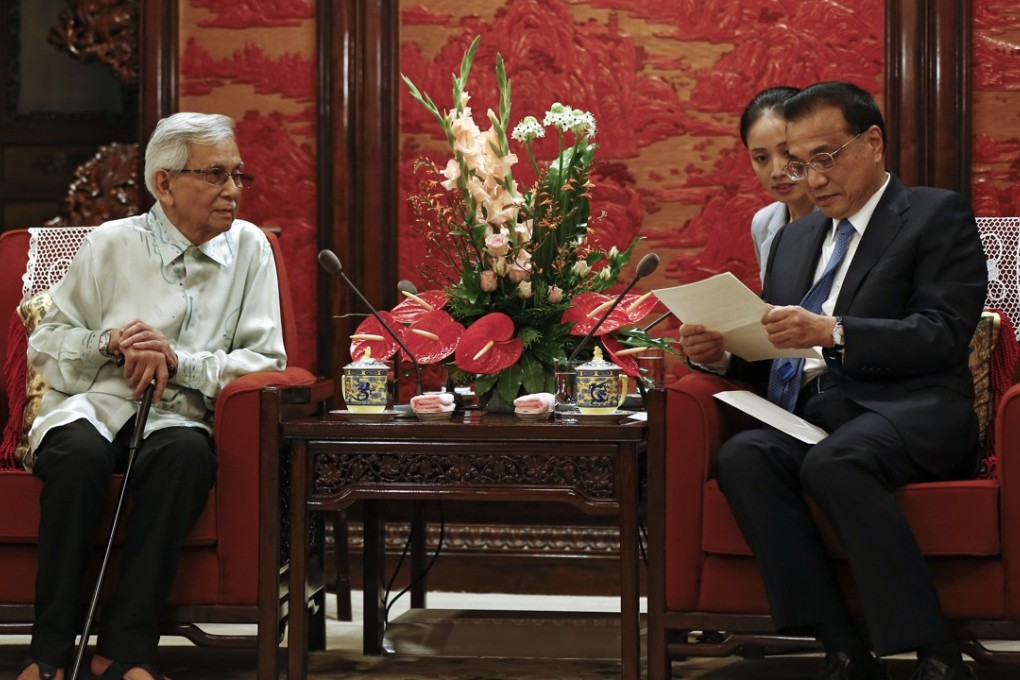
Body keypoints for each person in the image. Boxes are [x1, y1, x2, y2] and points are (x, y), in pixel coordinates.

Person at [679, 81, 986, 680]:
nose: (812, 179)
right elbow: (775, 351)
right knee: (744, 457)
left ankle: (935, 651)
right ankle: (840, 644)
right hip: (819, 413)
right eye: (799, 163)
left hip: (913, 407)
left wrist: (833, 330)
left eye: (825, 157)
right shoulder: (795, 238)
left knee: (834, 463)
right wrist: (718, 355)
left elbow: (941, 332)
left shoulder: (933, 213)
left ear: (872, 142)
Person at [18, 112, 287, 680]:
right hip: (93, 404)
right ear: (164, 183)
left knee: (186, 461)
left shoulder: (251, 249)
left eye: (240, 175)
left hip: (177, 416)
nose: (233, 190)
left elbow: (265, 361)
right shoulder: (111, 243)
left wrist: (178, 361)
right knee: (78, 459)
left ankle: (124, 652)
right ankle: (47, 656)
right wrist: (111, 342)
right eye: (215, 175)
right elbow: (45, 346)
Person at [740, 86, 816, 283]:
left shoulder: (844, 217)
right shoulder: (763, 223)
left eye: (787, 153)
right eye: (762, 158)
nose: (776, 171)